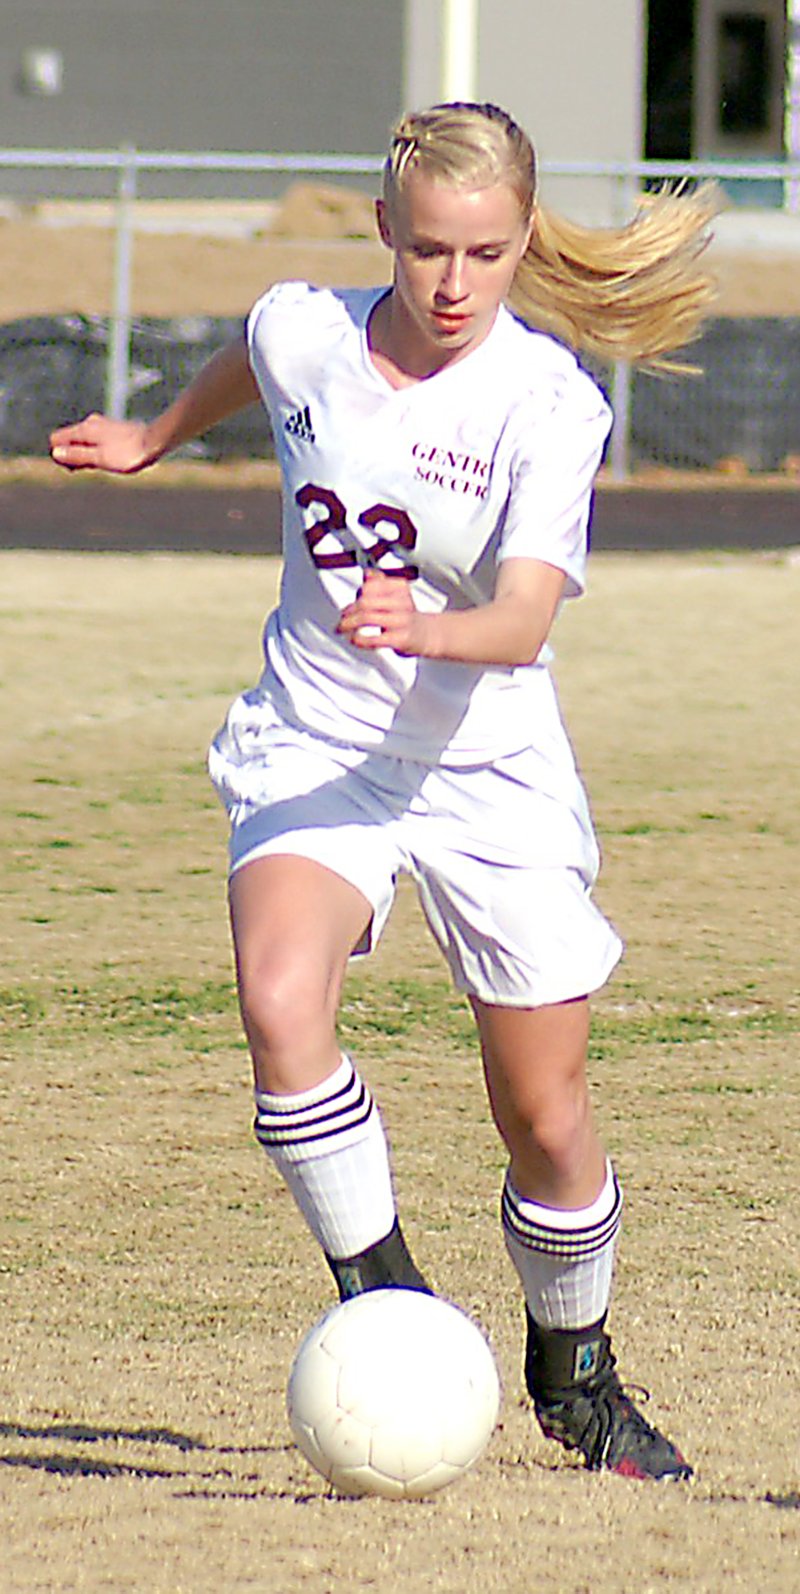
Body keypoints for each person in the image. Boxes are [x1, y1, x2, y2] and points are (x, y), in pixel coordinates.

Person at [50, 102, 716, 1482]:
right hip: (320, 738)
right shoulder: (308, 326)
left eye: (484, 251)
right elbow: (261, 360)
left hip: (488, 764)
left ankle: (575, 1373)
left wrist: (431, 625)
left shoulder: (547, 405)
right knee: (281, 1001)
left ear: (524, 239)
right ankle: (394, 1309)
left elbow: (525, 620)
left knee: (544, 1111)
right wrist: (158, 431)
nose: (455, 282)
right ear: (382, 235)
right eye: (426, 250)